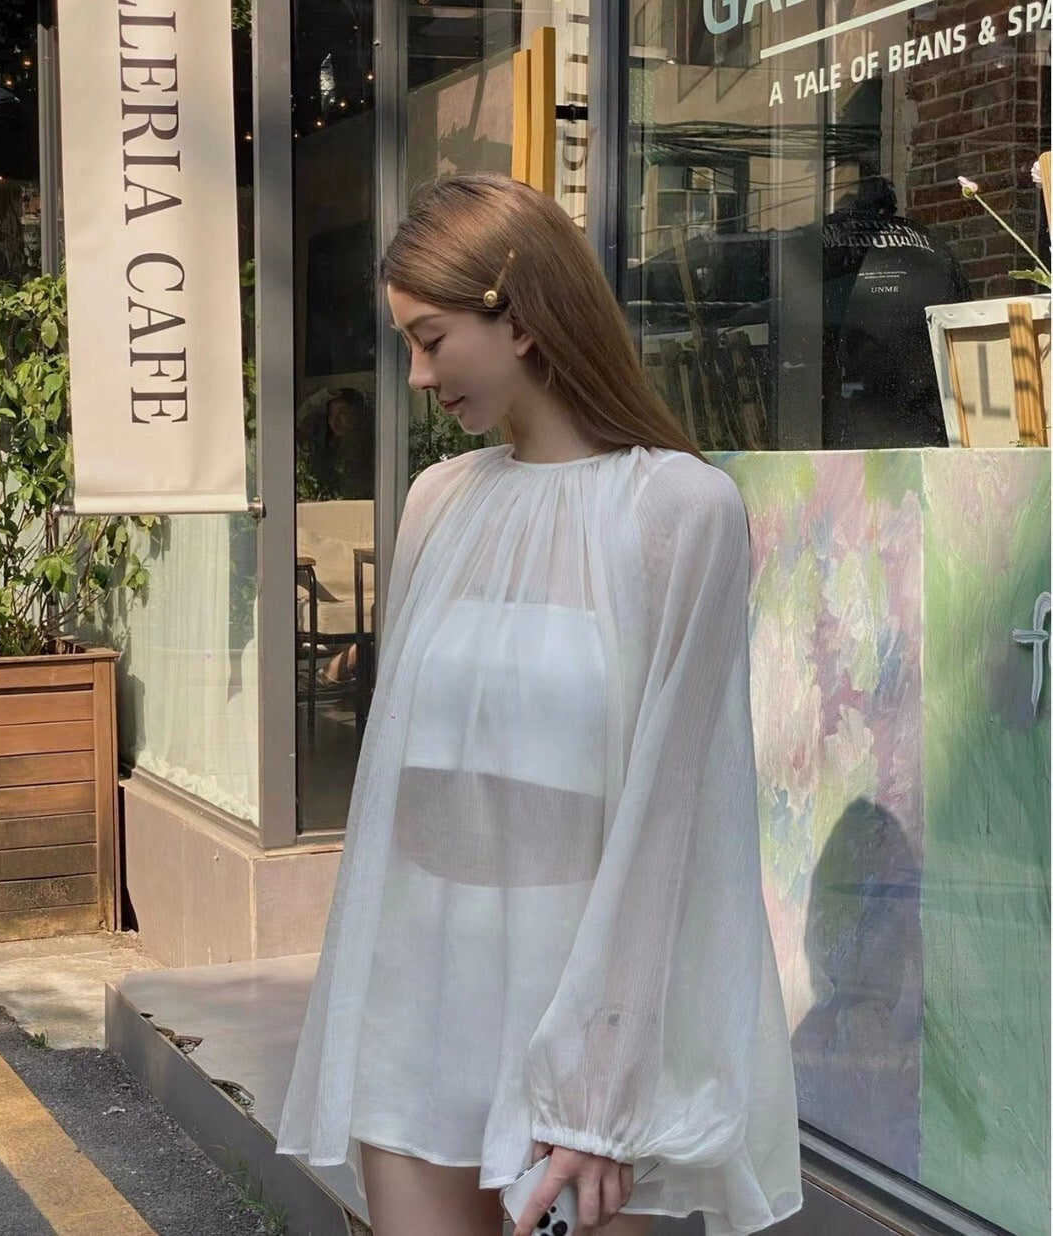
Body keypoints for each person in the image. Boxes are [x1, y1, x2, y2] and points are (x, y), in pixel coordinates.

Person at [277, 173, 802, 1236]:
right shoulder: (439, 503)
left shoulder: (680, 510)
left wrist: (598, 1092)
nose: (417, 376)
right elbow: (398, 787)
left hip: (586, 1021)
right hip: (418, 1004)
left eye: (431, 340)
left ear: (519, 317)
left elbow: (677, 823)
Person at [821, 177, 972, 448]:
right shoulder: (931, 243)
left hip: (862, 411)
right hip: (927, 410)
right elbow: (961, 320)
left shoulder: (829, 235)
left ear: (853, 204)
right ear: (891, 206)